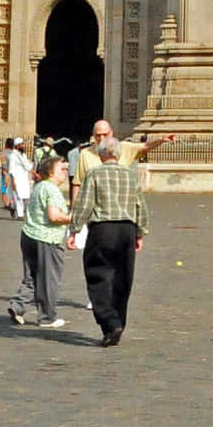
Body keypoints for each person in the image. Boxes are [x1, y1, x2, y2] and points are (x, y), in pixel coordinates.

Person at [73, 139, 149, 347]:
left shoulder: (95, 174)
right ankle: (118, 324)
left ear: (101, 155)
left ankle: (109, 322)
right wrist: (140, 232)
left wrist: (74, 228)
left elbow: (85, 203)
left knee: (98, 275)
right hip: (126, 229)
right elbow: (140, 204)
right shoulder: (129, 175)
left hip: (103, 229)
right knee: (122, 278)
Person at [7, 154, 71, 329]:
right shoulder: (52, 189)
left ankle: (18, 306)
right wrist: (74, 218)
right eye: (62, 169)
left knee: (31, 276)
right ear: (50, 173)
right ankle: (47, 317)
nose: (66, 172)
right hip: (47, 239)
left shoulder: (39, 186)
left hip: (29, 235)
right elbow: (54, 216)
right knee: (49, 279)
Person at [70, 120, 177, 210]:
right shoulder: (85, 154)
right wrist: (74, 209)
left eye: (105, 134)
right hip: (95, 207)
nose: (102, 138)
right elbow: (77, 183)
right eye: (98, 135)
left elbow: (145, 146)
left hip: (120, 205)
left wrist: (162, 140)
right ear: (93, 135)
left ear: (111, 133)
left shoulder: (123, 147)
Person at [5, 139, 33, 222]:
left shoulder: (23, 155)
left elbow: (28, 166)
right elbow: (11, 169)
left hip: (24, 179)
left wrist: (35, 173)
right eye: (21, 144)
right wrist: (13, 181)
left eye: (23, 144)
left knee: (26, 197)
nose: (23, 145)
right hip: (16, 179)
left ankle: (12, 206)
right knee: (18, 197)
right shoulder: (13, 155)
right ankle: (20, 215)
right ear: (17, 146)